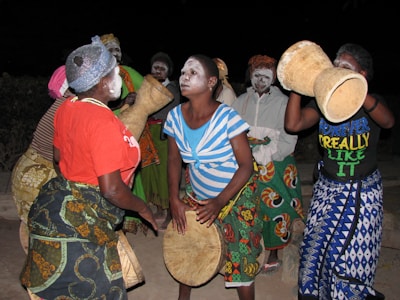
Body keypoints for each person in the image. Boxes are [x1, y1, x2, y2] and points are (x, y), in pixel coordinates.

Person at [20, 36, 158, 299]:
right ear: (103, 82)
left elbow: (58, 157)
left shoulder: (67, 108)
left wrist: (76, 182)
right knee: (94, 287)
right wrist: (142, 208)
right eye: (115, 73)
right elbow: (111, 189)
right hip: (86, 216)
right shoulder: (102, 122)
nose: (119, 77)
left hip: (60, 203)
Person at [284, 43, 395, 299]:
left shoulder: (371, 105)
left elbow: (388, 121)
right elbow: (293, 124)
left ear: (362, 73)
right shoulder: (323, 102)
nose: (336, 70)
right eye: (335, 65)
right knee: (315, 249)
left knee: (348, 254)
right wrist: (298, 86)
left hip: (362, 193)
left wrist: (357, 89)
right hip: (327, 189)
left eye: (345, 66)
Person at [163, 54, 263, 300]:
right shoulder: (175, 116)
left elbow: (246, 166)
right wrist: (174, 198)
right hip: (198, 192)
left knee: (240, 255)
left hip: (236, 193)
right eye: (183, 71)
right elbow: (175, 160)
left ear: (210, 82)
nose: (184, 77)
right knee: (188, 244)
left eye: (193, 73)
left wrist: (220, 202)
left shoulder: (228, 118)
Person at [231, 54, 305, 275]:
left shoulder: (284, 102)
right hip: (246, 161)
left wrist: (266, 154)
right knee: (248, 207)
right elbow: (232, 131)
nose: (260, 81)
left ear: (274, 79)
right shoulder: (241, 100)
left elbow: (289, 138)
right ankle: (252, 247)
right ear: (250, 76)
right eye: (256, 76)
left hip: (276, 164)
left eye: (266, 76)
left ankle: (274, 253)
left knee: (275, 209)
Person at [11, 65, 74, 254]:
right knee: (44, 245)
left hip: (30, 171)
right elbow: (59, 158)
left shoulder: (65, 102)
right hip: (39, 178)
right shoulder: (69, 107)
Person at [101, 33, 154, 234]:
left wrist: (138, 102)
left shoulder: (128, 73)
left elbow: (150, 90)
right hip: (106, 129)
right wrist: (123, 104)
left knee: (130, 172)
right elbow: (98, 106)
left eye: (117, 50)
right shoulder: (100, 77)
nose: (115, 54)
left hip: (128, 129)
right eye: (110, 50)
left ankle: (132, 219)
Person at [141, 51, 181, 228]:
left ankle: (170, 212)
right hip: (150, 132)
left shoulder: (171, 89)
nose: (157, 71)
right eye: (155, 68)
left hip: (164, 134)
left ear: (168, 72)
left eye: (161, 69)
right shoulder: (150, 86)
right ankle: (159, 207)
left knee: (166, 173)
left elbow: (155, 108)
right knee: (153, 171)